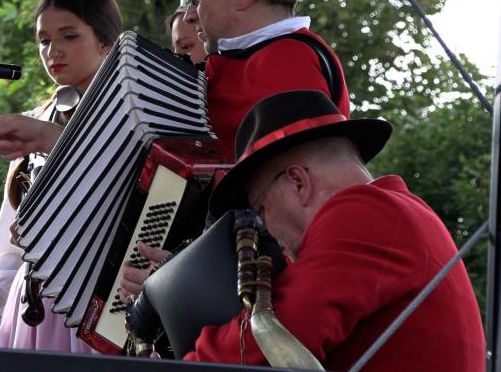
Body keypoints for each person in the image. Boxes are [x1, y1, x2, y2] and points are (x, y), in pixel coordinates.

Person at [119, 0, 354, 302]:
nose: (194, 10)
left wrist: (187, 270)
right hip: (240, 274)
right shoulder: (238, 61)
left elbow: (292, 211)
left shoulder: (286, 61)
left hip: (268, 291)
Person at [183, 89, 485, 371]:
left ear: (298, 183)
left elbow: (274, 338)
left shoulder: (365, 211)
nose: (265, 229)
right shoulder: (399, 212)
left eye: (260, 209)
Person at [0, 0, 122, 352]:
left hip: (97, 310)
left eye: (69, 36)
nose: (53, 51)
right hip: (30, 306)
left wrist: (53, 140)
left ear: (106, 42)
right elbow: (9, 245)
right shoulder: (39, 118)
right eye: (44, 40)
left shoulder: (127, 122)